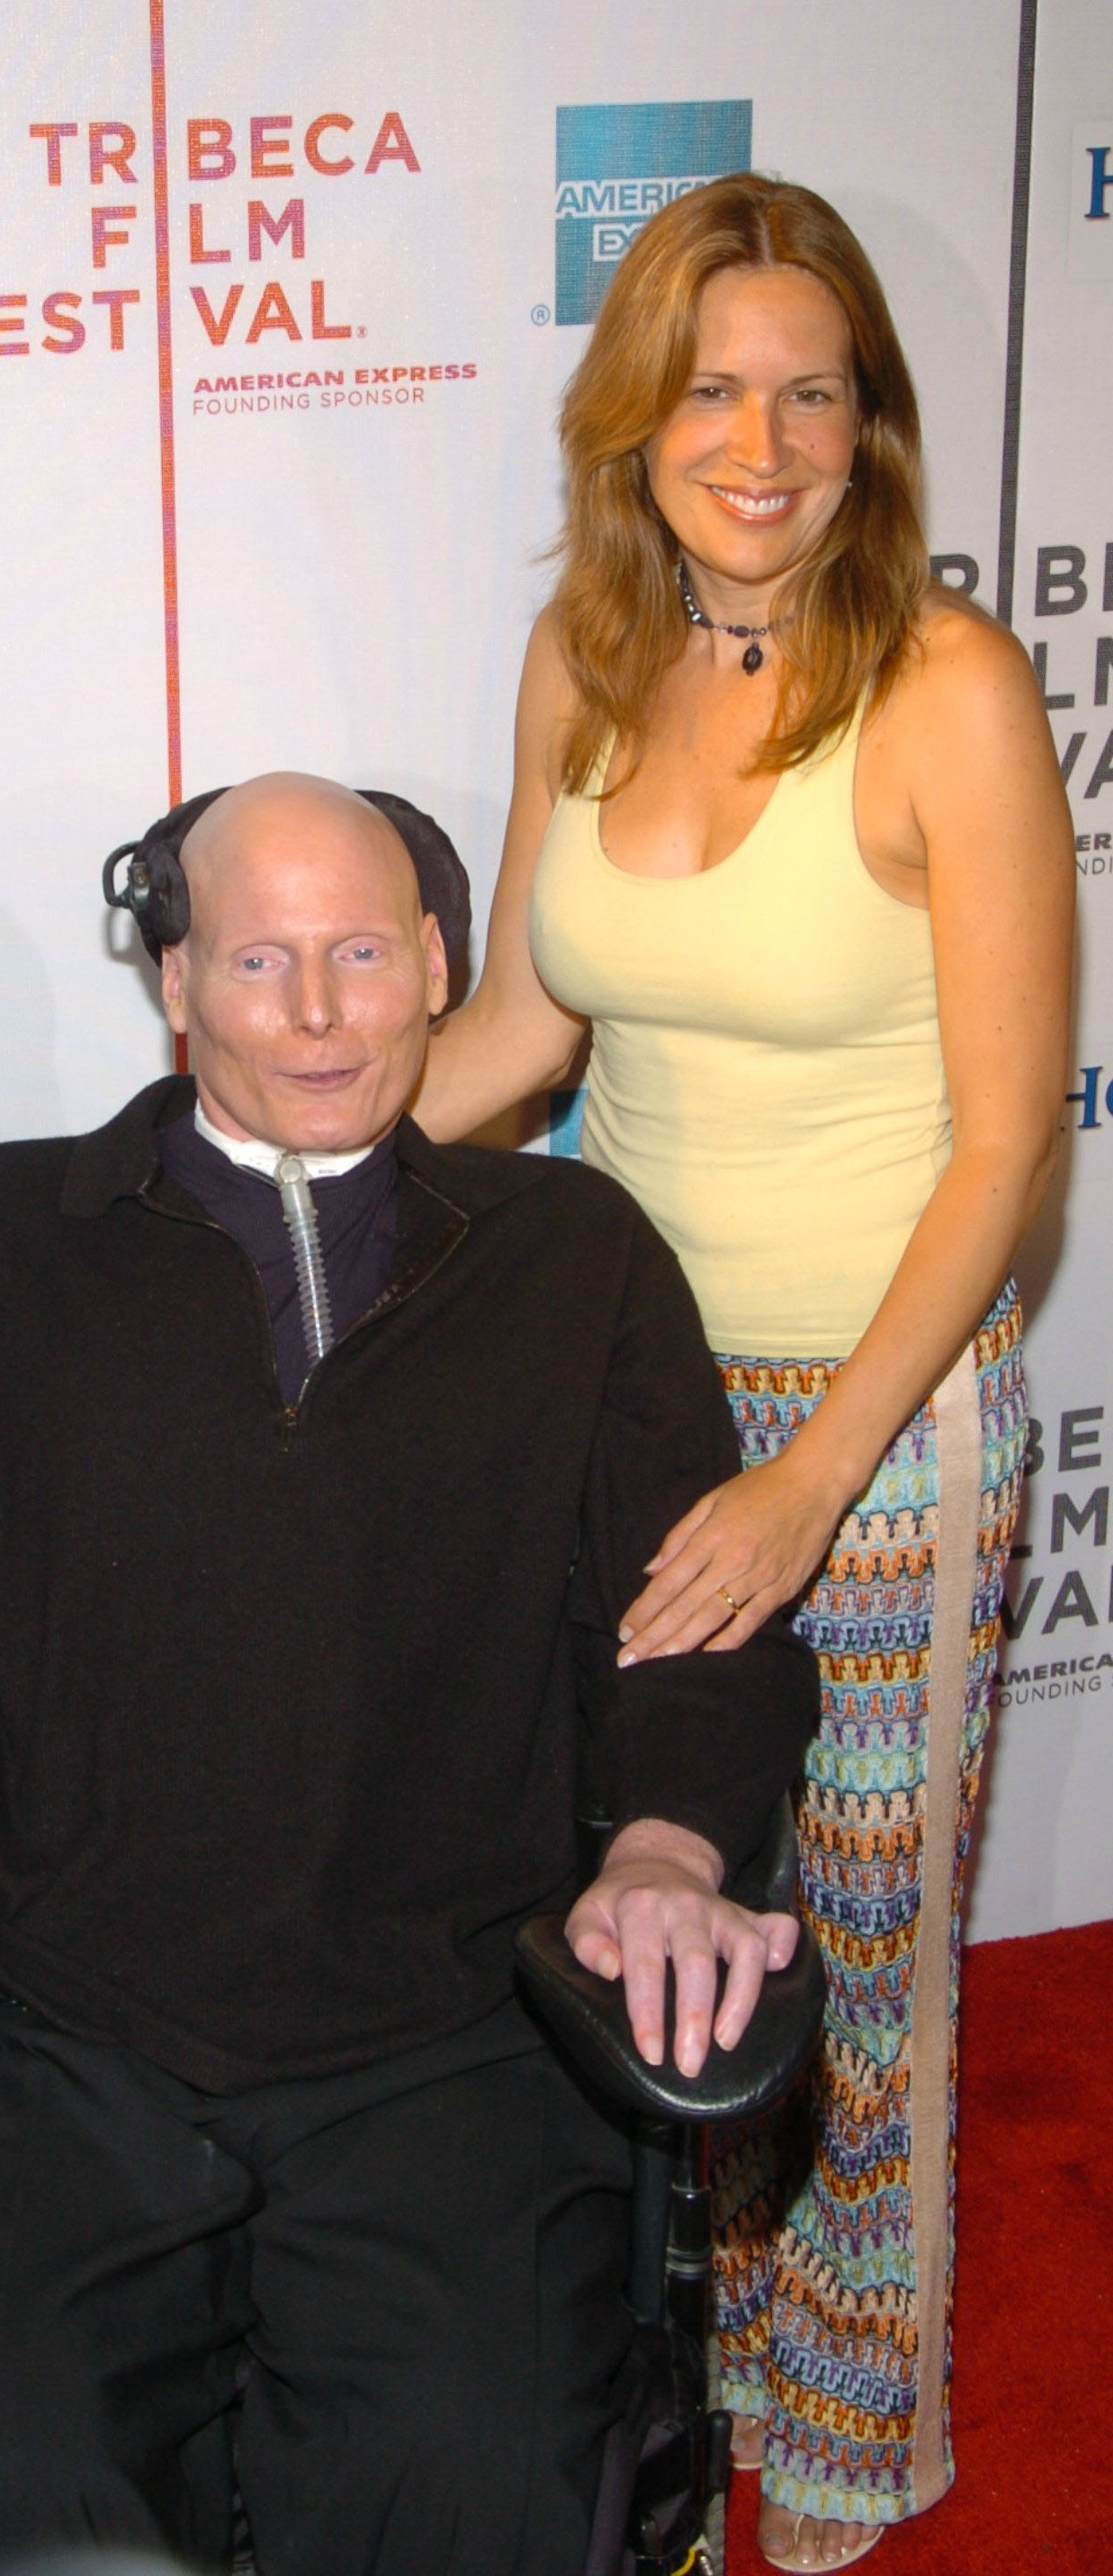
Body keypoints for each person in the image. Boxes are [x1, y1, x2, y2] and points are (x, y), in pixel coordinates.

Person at [0, 771, 819, 2576]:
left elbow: (700, 1617)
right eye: (259, 961)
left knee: (461, 2508)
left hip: (449, 2042)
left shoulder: (576, 1261)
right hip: (58, 2035)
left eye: (364, 954)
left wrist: (668, 1852)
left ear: (442, 965)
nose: (318, 1015)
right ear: (172, 987)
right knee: (1, 2508)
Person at [415, 175, 1073, 2568]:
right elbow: (525, 1018)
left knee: (860, 1953)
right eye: (716, 388)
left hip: (881, 1417)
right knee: (649, 1919)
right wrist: (281, 1162)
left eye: (816, 390)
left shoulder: (949, 693)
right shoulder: (580, 660)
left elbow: (1007, 1147)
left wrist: (820, 1483)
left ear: (873, 424)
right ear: (634, 419)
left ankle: (851, 2438)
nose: (766, 438)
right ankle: (672, 2391)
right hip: (618, 1395)